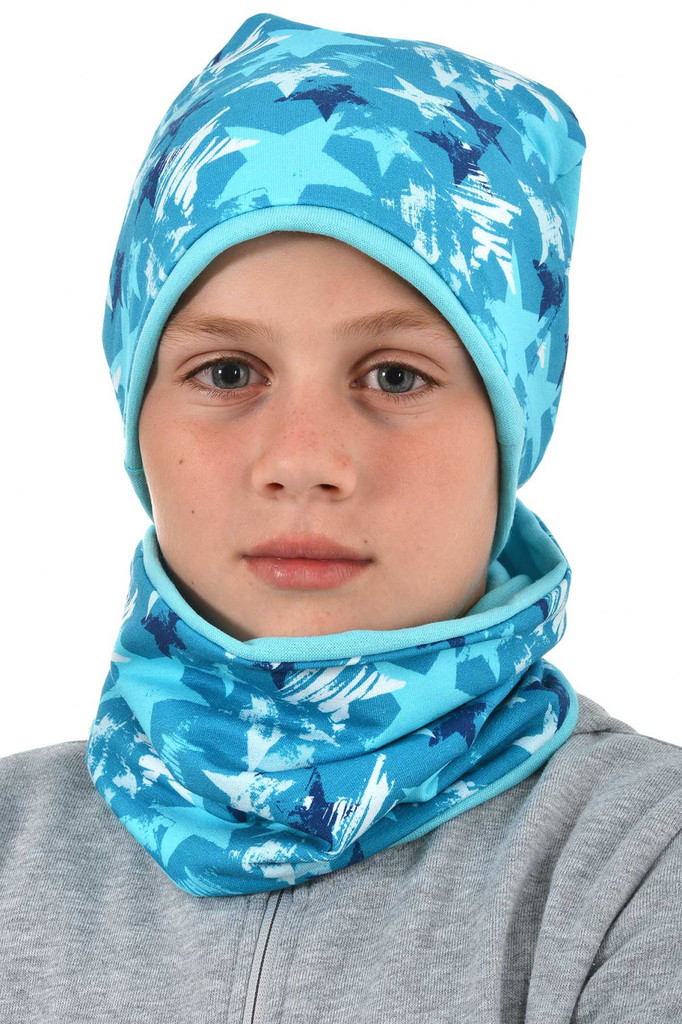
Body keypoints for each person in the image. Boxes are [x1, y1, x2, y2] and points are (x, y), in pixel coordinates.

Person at [1, 11, 680, 1022]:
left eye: (394, 375)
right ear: (137, 415)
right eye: (228, 371)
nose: (303, 462)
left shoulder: (638, 862)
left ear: (513, 429)